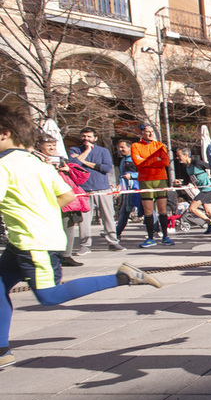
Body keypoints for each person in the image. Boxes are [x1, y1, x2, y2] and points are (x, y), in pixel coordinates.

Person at [0, 106, 160, 369]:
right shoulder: (38, 165)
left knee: (50, 297)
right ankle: (2, 350)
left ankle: (123, 277)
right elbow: (66, 196)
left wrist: (25, 211)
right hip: (27, 240)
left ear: (5, 134)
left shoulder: (4, 165)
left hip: (33, 242)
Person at [69, 127, 125, 252]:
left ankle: (113, 241)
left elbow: (106, 168)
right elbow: (73, 164)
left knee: (108, 216)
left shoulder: (103, 151)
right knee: (84, 219)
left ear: (95, 138)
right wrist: (87, 152)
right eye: (83, 136)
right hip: (83, 189)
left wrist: (85, 162)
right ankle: (85, 245)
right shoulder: (75, 149)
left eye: (89, 136)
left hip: (102, 188)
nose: (86, 139)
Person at [38, 135, 89, 267]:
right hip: (45, 200)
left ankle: (66, 255)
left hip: (66, 199)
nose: (52, 148)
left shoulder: (63, 160)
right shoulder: (34, 160)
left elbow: (81, 177)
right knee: (46, 229)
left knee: (68, 227)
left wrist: (68, 170)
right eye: (48, 145)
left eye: (54, 145)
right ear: (39, 145)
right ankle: (46, 257)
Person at [131, 124, 173, 248]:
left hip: (160, 179)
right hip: (145, 180)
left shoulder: (160, 145)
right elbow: (138, 162)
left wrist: (146, 161)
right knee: (148, 210)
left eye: (151, 131)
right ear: (141, 133)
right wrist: (155, 160)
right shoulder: (136, 146)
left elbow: (165, 161)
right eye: (147, 131)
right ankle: (150, 237)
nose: (150, 134)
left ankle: (165, 236)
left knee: (162, 209)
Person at [174, 147, 211, 233]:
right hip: (203, 190)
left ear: (186, 155)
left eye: (179, 155)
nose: (177, 158)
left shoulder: (197, 163)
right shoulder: (186, 168)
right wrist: (179, 182)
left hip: (208, 189)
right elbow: (186, 181)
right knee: (210, 212)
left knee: (192, 208)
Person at [114, 139, 143, 241]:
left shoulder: (137, 158)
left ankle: (156, 230)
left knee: (146, 210)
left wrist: (132, 175)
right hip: (127, 190)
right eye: (119, 147)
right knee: (124, 211)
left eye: (123, 147)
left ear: (130, 147)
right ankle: (117, 232)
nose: (120, 149)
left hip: (137, 189)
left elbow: (144, 172)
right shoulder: (123, 160)